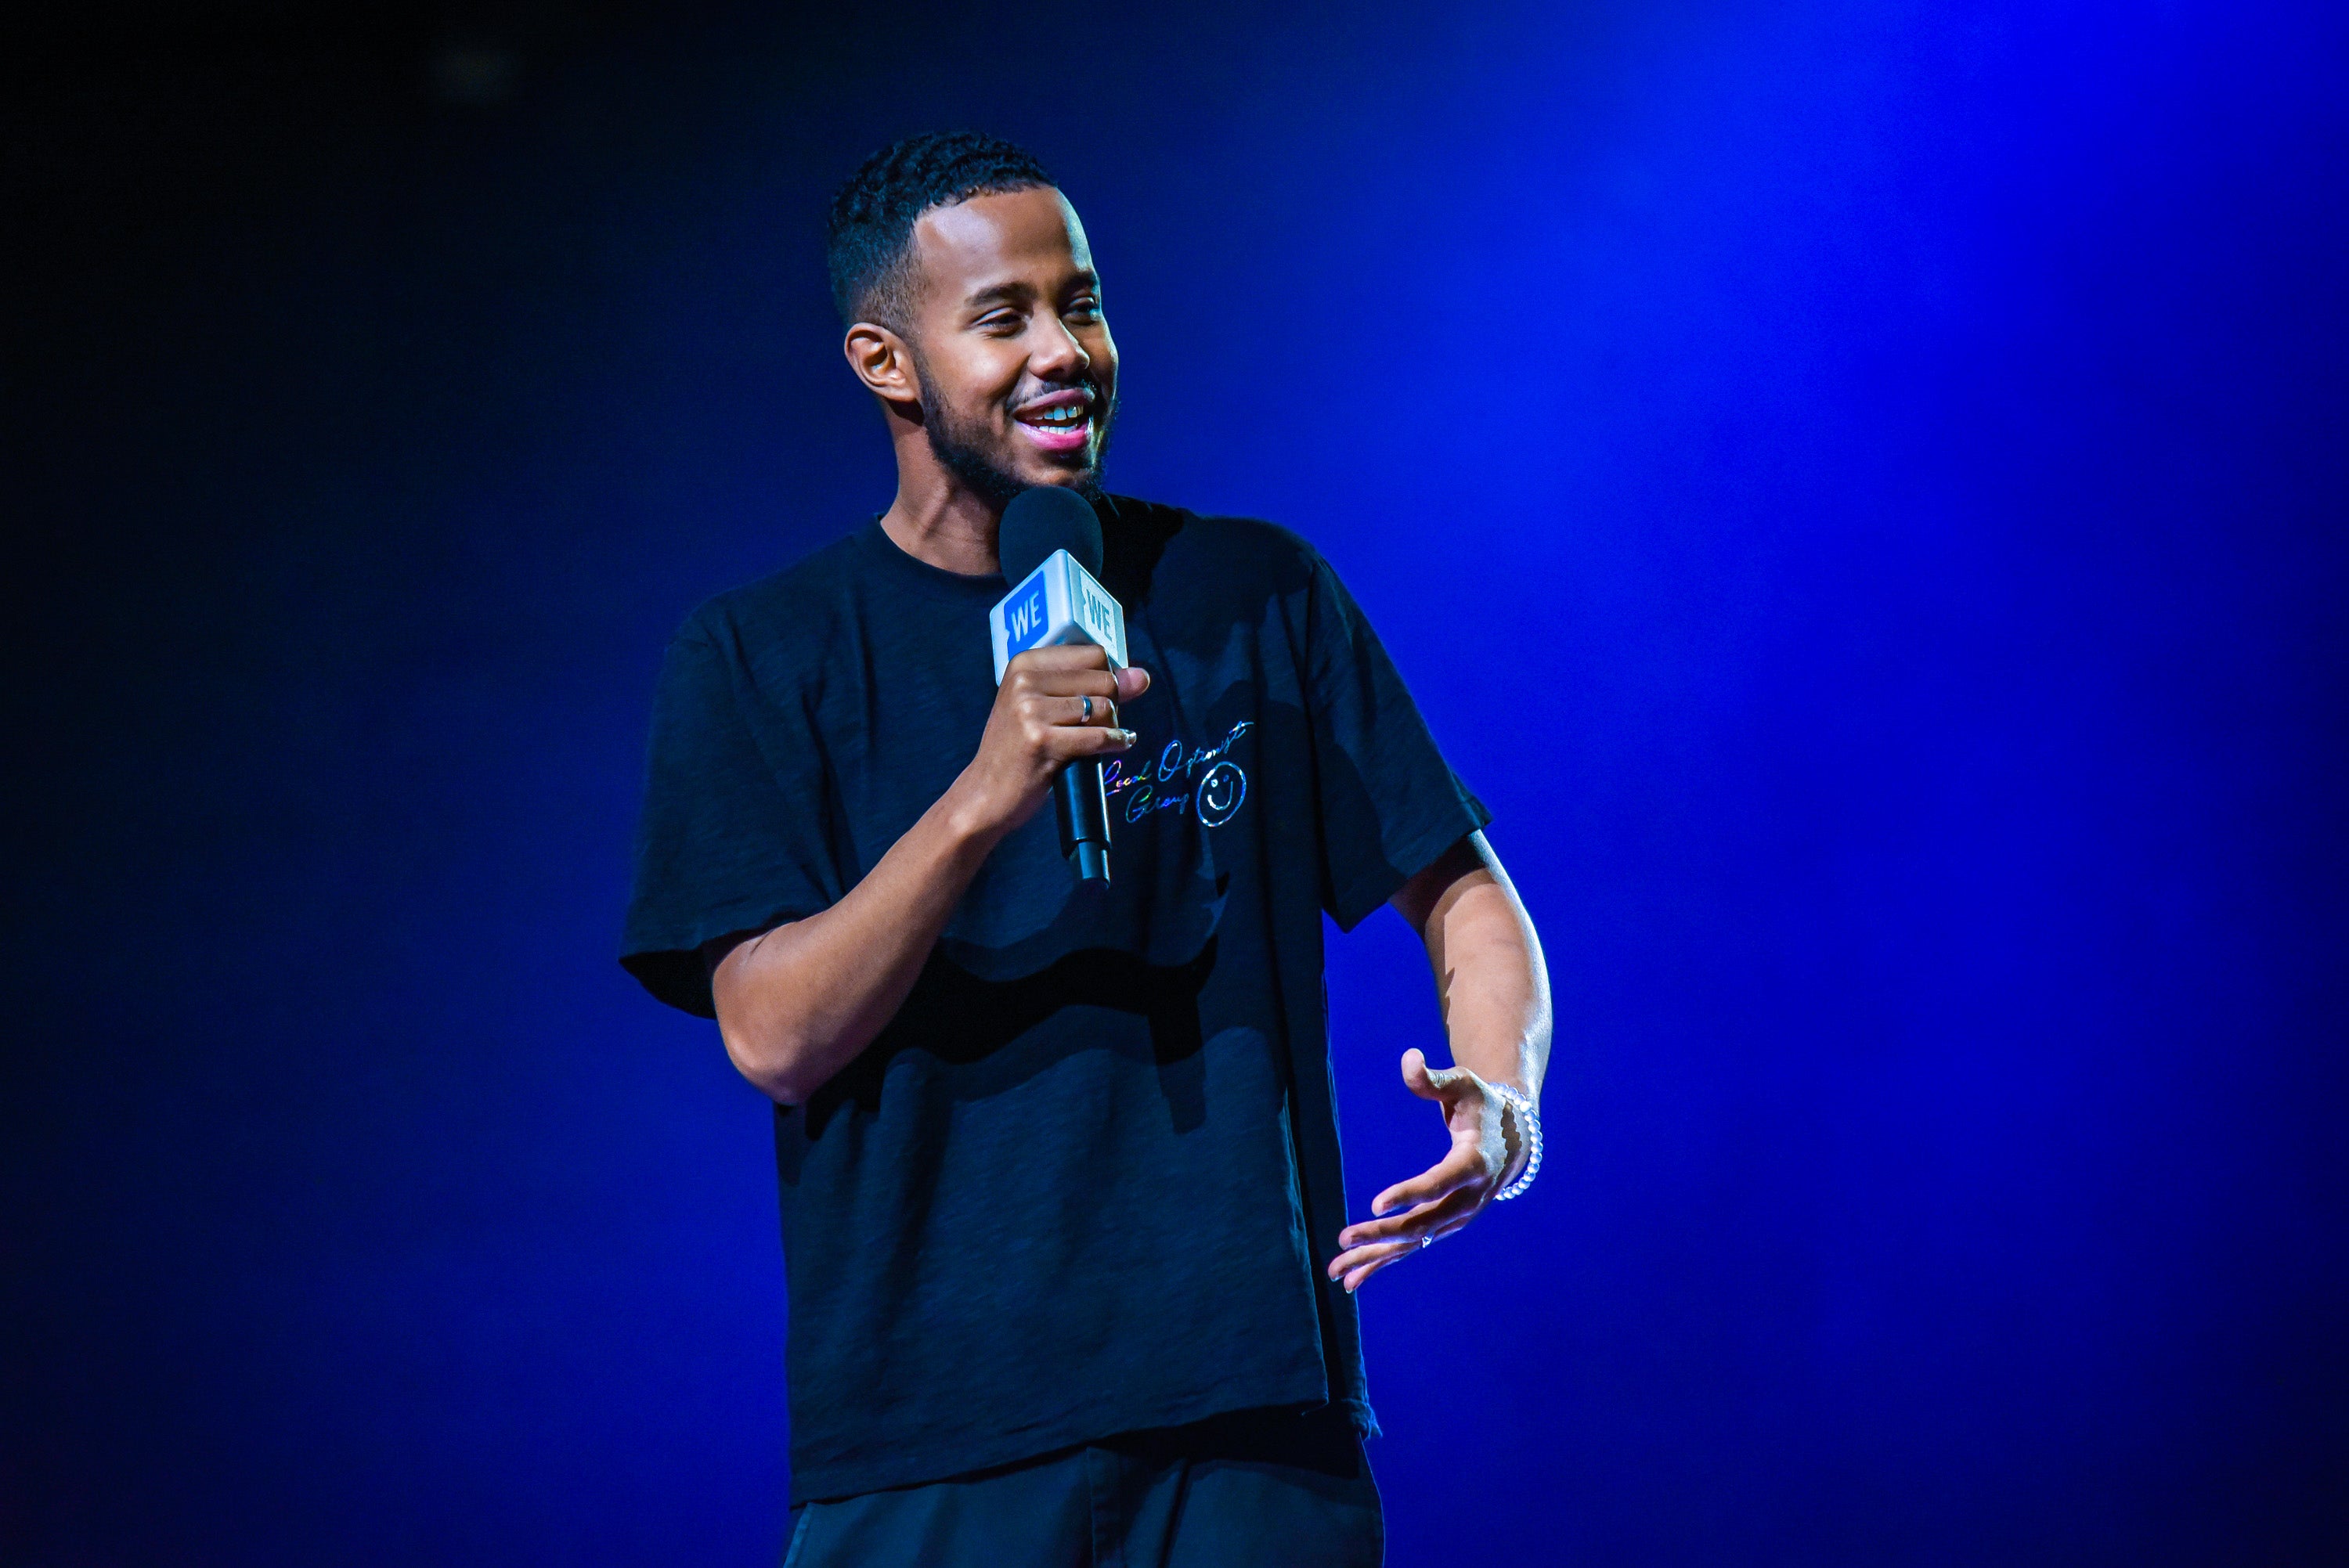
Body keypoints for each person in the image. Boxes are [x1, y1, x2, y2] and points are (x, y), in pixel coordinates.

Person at [620, 131, 1552, 1567]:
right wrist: (982, 796)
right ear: (886, 362)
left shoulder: (1254, 591)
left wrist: (1503, 1093)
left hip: (1251, 1417)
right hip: (932, 1439)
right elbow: (772, 1036)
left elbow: (1463, 892)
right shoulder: (763, 655)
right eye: (1003, 319)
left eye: (1085, 303)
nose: (1066, 350)